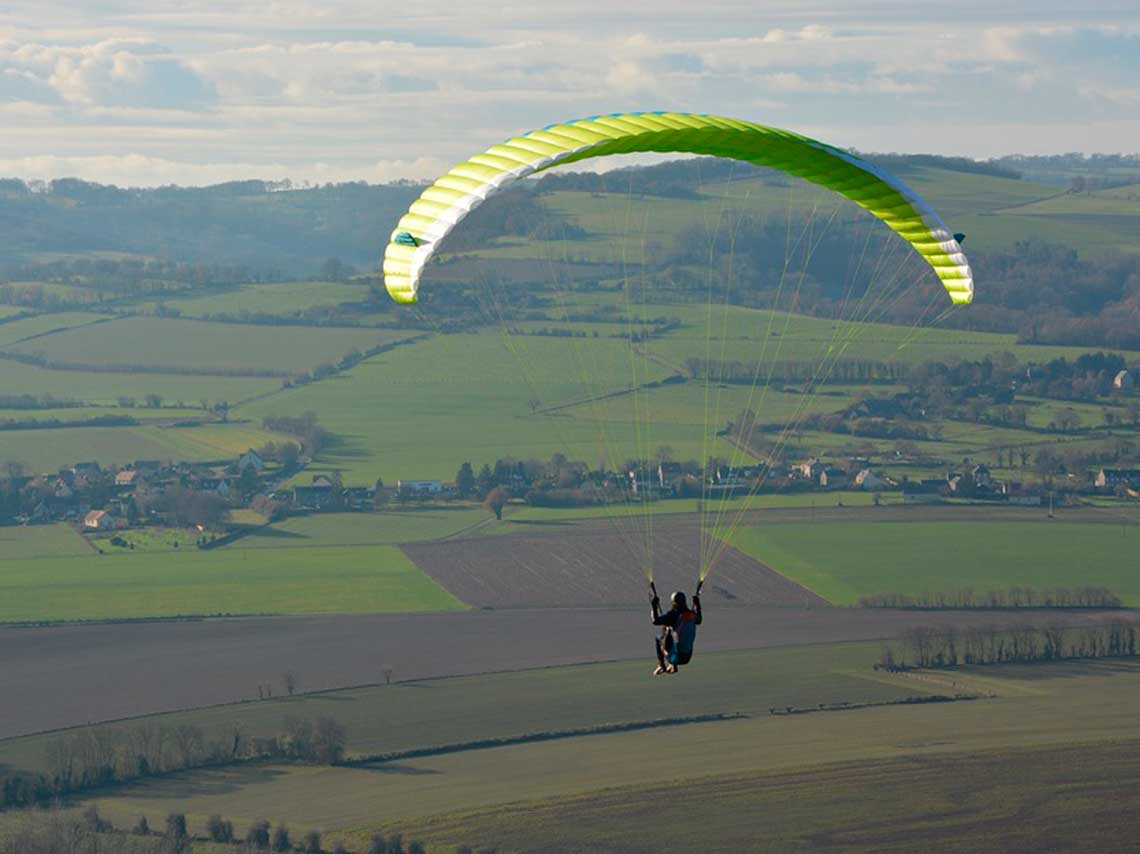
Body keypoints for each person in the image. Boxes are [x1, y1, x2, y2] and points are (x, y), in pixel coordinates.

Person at [651, 587, 702, 675]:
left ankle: (661, 665)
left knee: (660, 637)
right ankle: (672, 665)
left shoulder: (673, 615)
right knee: (672, 631)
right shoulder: (691, 614)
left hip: (675, 657)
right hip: (687, 658)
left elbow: (655, 621)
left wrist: (654, 606)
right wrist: (698, 605)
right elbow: (699, 620)